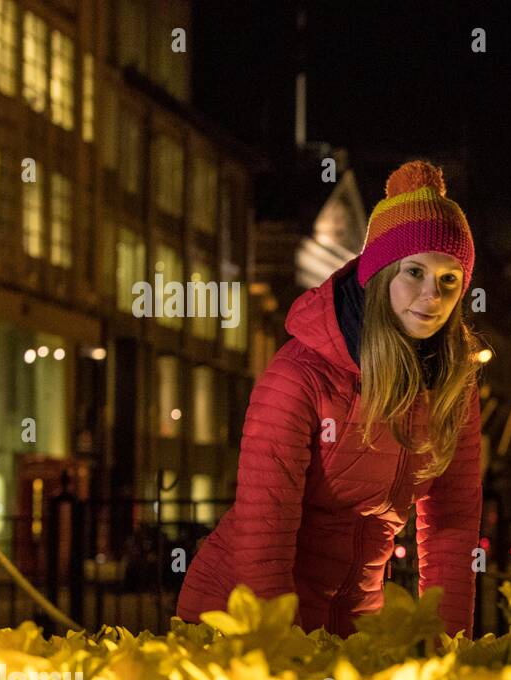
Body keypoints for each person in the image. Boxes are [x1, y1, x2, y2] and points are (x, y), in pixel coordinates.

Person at [176, 160, 483, 638]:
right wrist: (286, 650)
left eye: (449, 280)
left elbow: (453, 525)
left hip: (352, 626)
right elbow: (264, 537)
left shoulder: (450, 384)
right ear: (378, 277)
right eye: (415, 272)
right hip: (240, 619)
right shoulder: (298, 377)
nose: (432, 296)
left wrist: (450, 649)